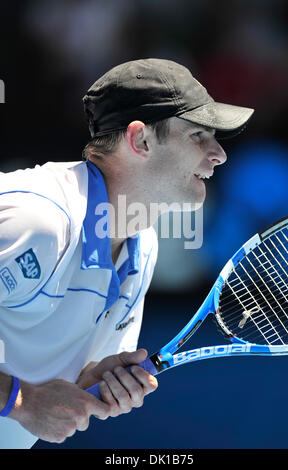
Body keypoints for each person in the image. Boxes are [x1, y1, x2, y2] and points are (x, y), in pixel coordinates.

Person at [0, 58, 254, 448]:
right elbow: (24, 400)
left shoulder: (144, 244)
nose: (219, 153)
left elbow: (63, 378)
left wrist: (90, 378)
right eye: (199, 135)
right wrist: (20, 400)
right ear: (141, 140)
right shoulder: (37, 220)